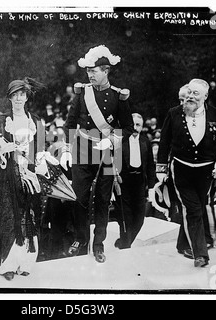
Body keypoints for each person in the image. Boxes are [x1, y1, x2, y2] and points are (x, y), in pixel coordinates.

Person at [61, 45, 134, 263]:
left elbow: (128, 127)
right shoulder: (83, 93)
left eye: (94, 71)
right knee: (79, 198)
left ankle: (98, 244)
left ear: (106, 71)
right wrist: (66, 148)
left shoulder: (118, 97)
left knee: (103, 200)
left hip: (107, 154)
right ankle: (81, 239)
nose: (90, 75)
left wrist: (111, 140)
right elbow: (69, 124)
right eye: (88, 71)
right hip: (82, 150)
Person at [156, 79, 216, 268]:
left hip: (206, 172)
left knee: (198, 206)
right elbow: (164, 142)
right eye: (189, 92)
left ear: (205, 97)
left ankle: (183, 244)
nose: (190, 96)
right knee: (193, 209)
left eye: (195, 93)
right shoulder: (174, 113)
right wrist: (161, 169)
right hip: (181, 170)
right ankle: (200, 254)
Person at [0, 77, 45, 280]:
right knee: (10, 219)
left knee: (29, 218)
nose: (19, 99)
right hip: (7, 178)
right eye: (14, 95)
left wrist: (38, 169)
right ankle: (8, 265)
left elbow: (40, 149)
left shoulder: (36, 121)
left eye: (22, 94)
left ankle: (26, 262)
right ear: (9, 98)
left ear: (27, 97)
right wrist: (3, 150)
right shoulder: (2, 121)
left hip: (29, 174)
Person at [114, 112, 156, 249]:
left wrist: (151, 187)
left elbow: (150, 165)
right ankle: (125, 247)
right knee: (125, 217)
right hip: (123, 182)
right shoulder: (120, 141)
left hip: (139, 183)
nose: (135, 127)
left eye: (138, 125)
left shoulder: (145, 142)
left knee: (139, 218)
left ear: (142, 127)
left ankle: (125, 241)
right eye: (133, 124)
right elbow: (111, 162)